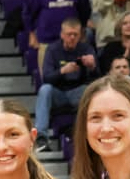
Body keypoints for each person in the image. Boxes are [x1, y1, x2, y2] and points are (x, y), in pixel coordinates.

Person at [33, 18, 99, 153]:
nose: (72, 38)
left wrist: (92, 66)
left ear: (80, 35)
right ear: (62, 35)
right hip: (59, 93)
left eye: (75, 34)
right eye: (69, 34)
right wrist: (62, 71)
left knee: (91, 91)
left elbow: (99, 78)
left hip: (79, 91)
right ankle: (41, 136)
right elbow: (46, 77)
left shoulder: (86, 49)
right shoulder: (53, 49)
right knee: (45, 89)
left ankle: (88, 135)